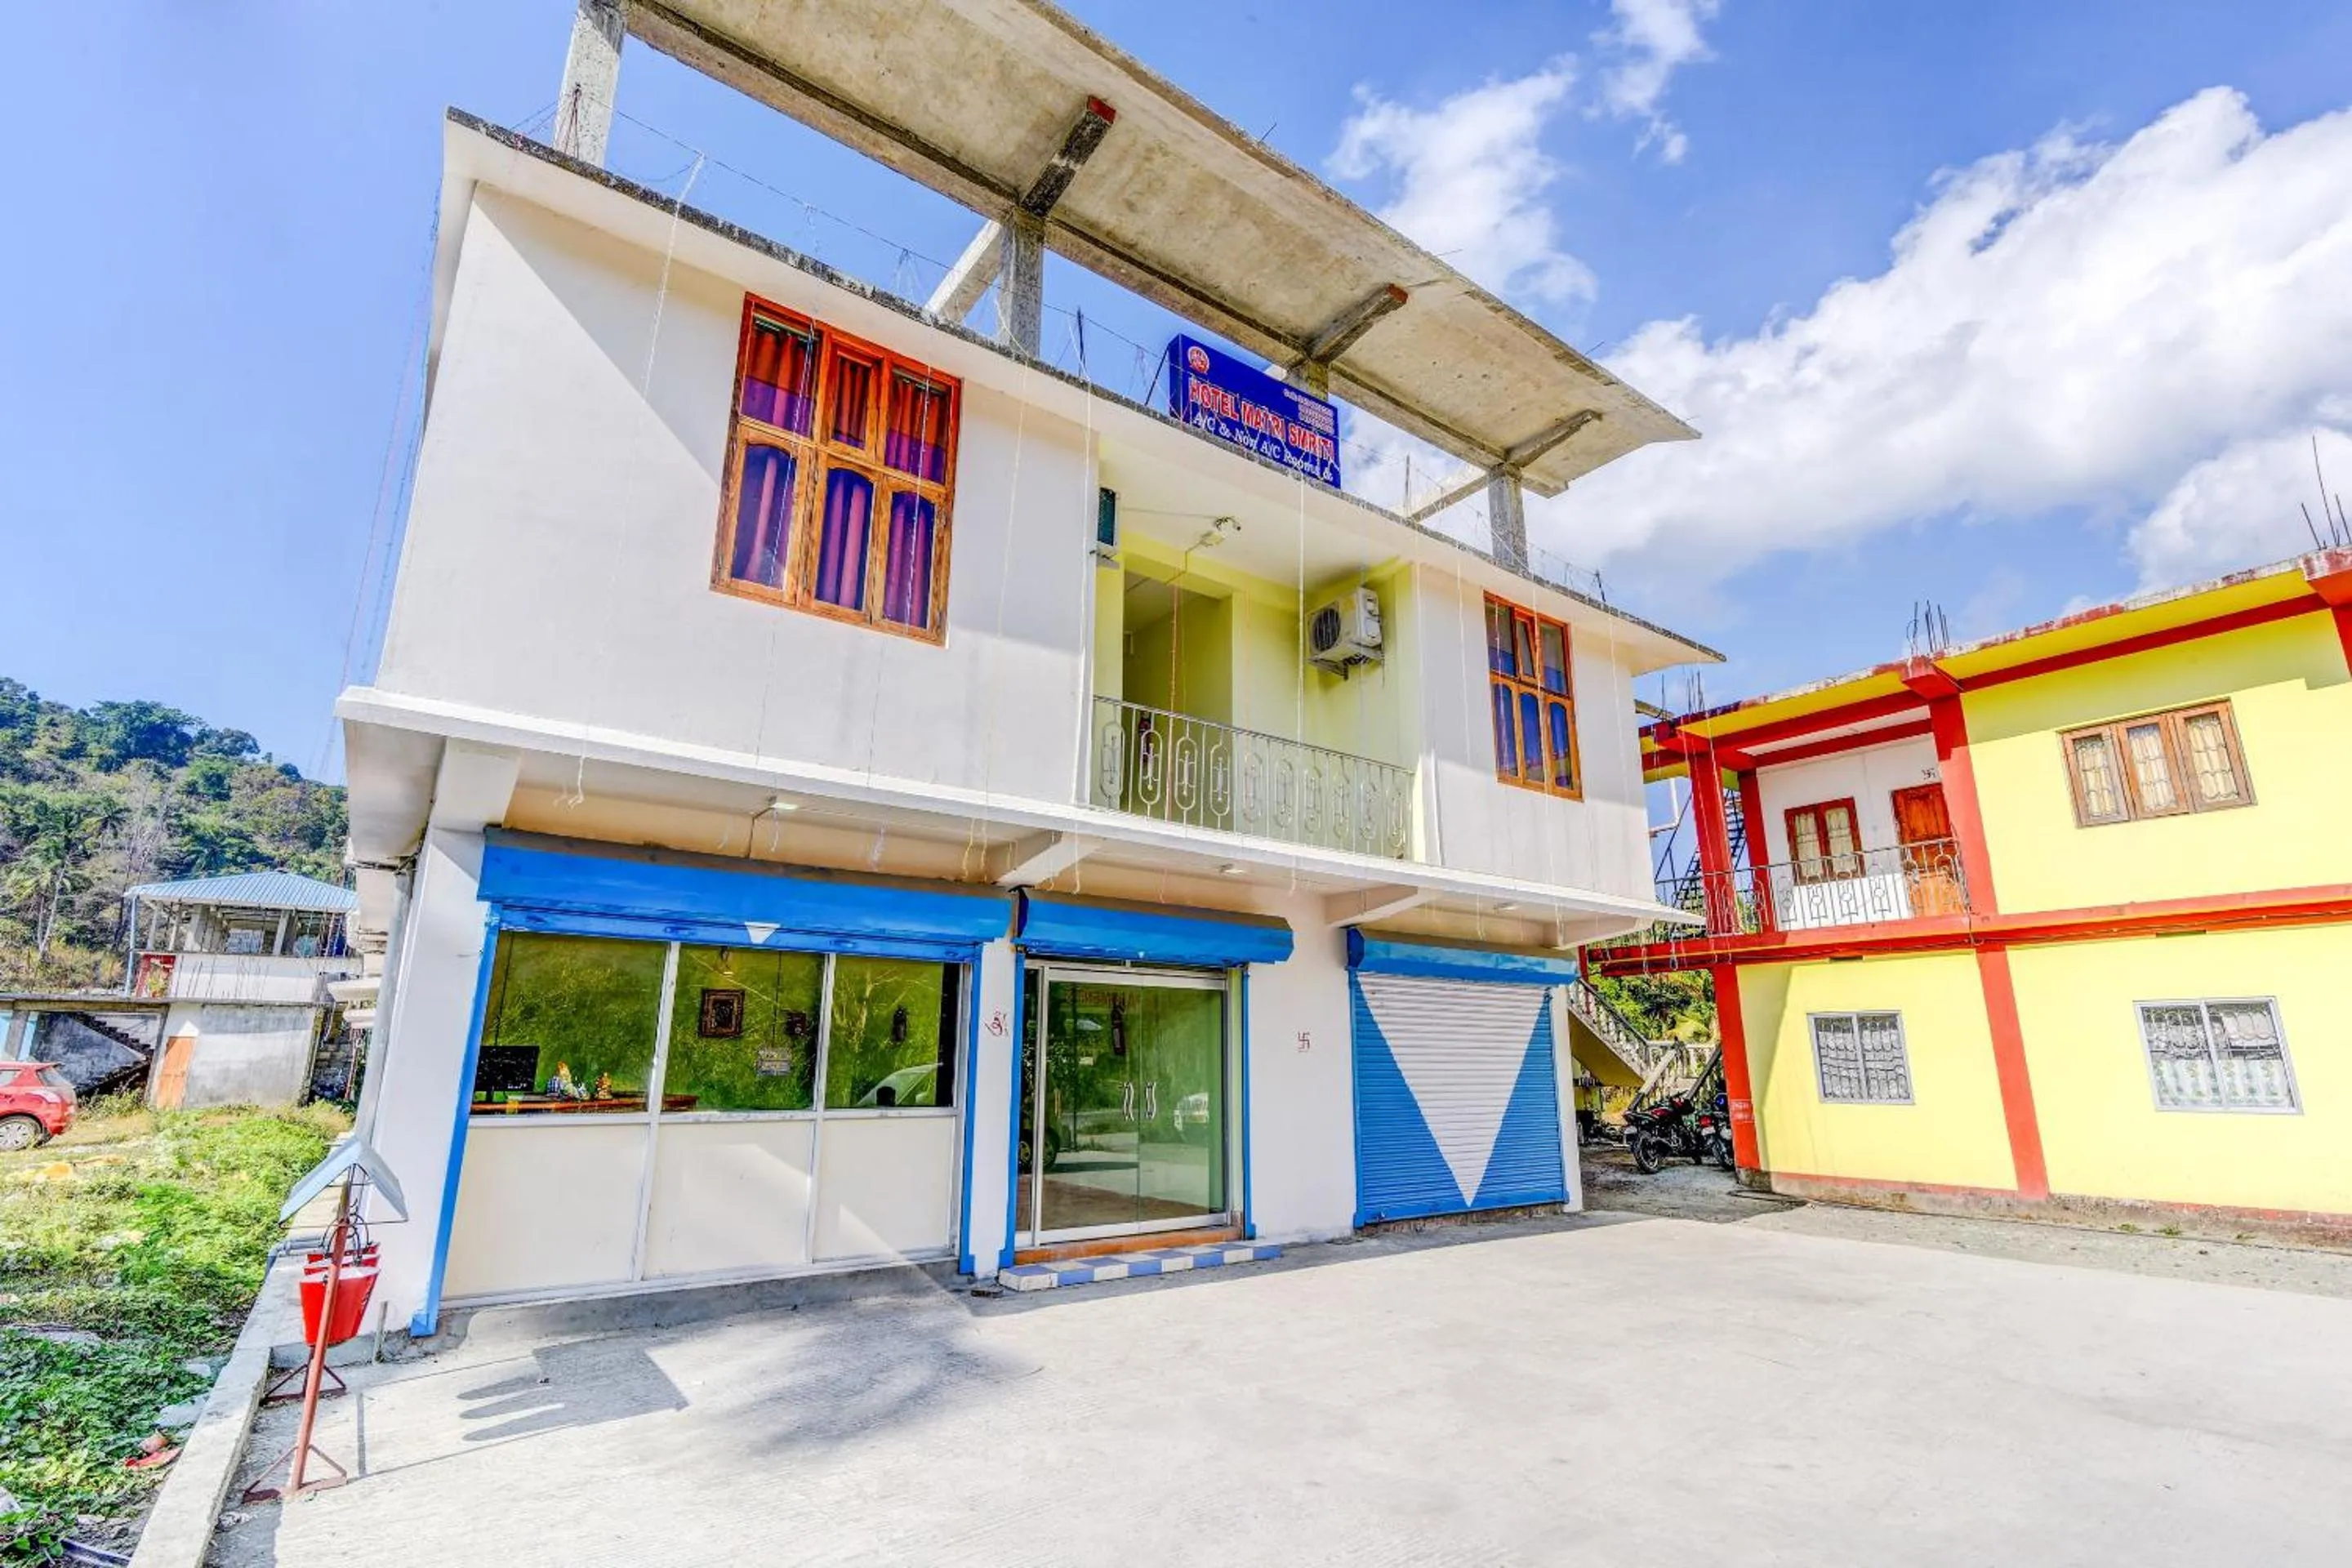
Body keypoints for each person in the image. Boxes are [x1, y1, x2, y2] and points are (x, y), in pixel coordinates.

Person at [1573, 1071, 1601, 1146]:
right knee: (1578, 1125)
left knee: (1587, 1125)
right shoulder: (1579, 1084)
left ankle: (1585, 1138)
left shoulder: (1593, 1086)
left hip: (1587, 1108)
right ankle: (1581, 1139)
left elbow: (1594, 1091)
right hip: (1579, 1107)